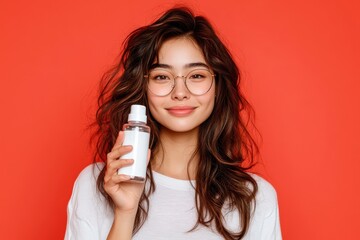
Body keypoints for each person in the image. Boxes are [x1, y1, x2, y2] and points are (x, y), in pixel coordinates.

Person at [65, 7, 282, 240]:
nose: (180, 92)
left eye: (197, 75)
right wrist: (125, 213)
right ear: (143, 87)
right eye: (162, 77)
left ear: (218, 86)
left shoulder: (254, 198)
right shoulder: (95, 184)